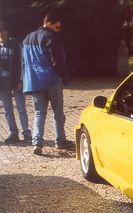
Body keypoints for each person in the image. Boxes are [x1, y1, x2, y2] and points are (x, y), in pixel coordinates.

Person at [22, 13, 73, 155]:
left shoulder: (27, 39)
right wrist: (62, 76)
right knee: (58, 112)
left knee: (39, 113)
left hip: (34, 81)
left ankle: (37, 144)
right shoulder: (50, 37)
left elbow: (24, 63)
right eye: (57, 26)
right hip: (51, 79)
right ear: (49, 23)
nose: (58, 29)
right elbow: (57, 60)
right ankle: (60, 141)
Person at [0, 23, 31, 144]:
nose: (1, 34)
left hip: (16, 81)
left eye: (2, 31)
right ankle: (13, 133)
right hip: (2, 83)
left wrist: (20, 80)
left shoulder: (15, 45)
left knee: (21, 108)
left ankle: (26, 133)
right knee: (8, 110)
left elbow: (22, 63)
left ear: (7, 31)